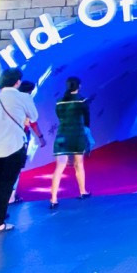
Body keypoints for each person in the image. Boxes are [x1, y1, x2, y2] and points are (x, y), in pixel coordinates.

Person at [0, 68, 45, 235]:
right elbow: (33, 117)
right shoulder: (23, 97)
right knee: (6, 185)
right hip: (13, 146)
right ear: (17, 82)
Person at [50, 77, 91, 209]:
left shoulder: (59, 102)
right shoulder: (82, 100)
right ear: (79, 86)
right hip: (77, 135)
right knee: (79, 164)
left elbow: (59, 117)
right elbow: (87, 119)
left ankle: (53, 199)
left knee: (59, 167)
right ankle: (83, 191)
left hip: (61, 135)